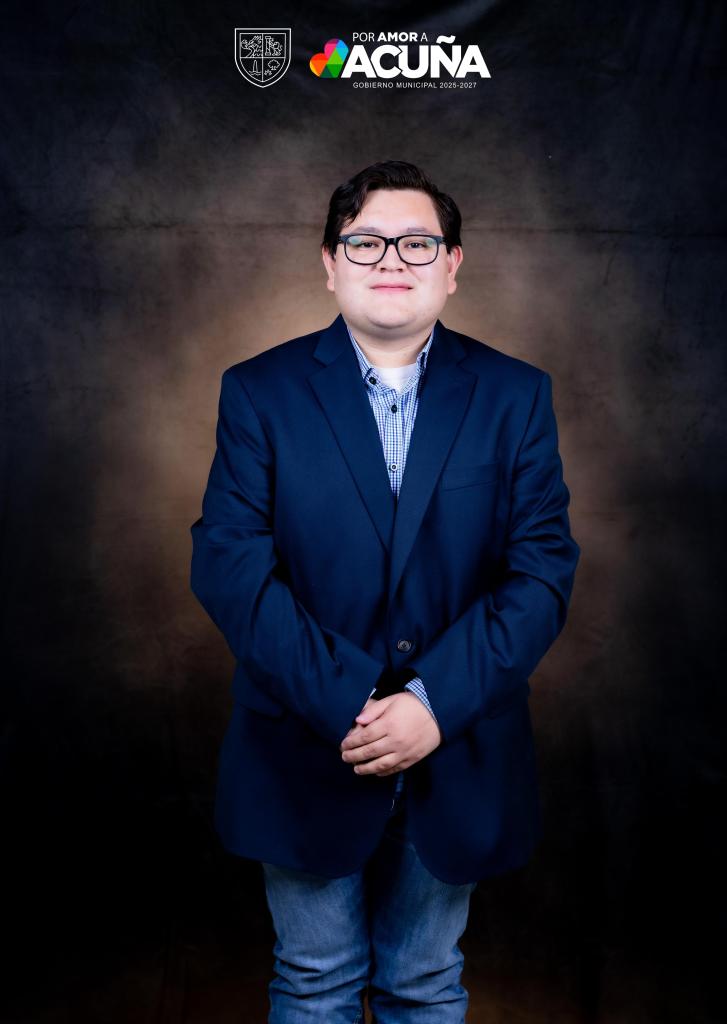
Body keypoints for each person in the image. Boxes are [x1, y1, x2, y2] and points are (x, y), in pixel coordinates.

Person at [190, 160, 580, 1023]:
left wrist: (431, 704)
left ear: (452, 264)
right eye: (364, 241)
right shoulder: (258, 391)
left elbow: (541, 570)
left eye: (416, 242)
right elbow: (230, 566)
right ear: (330, 263)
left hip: (459, 741)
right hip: (304, 739)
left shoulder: (515, 395)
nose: (391, 258)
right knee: (314, 981)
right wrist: (355, 701)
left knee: (424, 982)